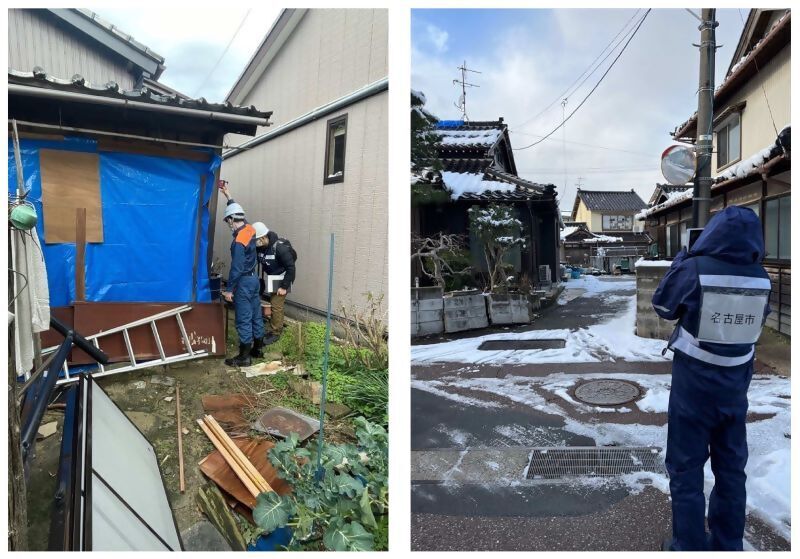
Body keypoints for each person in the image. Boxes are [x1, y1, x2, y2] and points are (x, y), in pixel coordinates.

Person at [652, 206, 771, 551]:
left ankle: (688, 546)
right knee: (731, 468)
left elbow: (662, 306)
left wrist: (680, 262)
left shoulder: (694, 270)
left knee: (687, 468)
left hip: (694, 387)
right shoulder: (762, 277)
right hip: (735, 389)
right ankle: (728, 543)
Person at [220, 196, 264, 367]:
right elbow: (239, 215)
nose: (228, 223)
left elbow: (236, 267)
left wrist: (229, 289)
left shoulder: (239, 241)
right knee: (255, 315)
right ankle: (258, 349)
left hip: (244, 282)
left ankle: (244, 357)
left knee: (243, 319)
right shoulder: (250, 229)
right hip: (254, 280)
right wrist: (229, 197)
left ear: (232, 219)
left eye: (228, 220)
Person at [252, 221, 296, 346]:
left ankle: (276, 332)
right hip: (272, 277)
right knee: (273, 302)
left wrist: (284, 286)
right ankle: (275, 325)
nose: (256, 243)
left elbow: (291, 268)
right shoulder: (260, 248)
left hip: (282, 278)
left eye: (258, 240)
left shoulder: (279, 248)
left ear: (264, 237)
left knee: (276, 304)